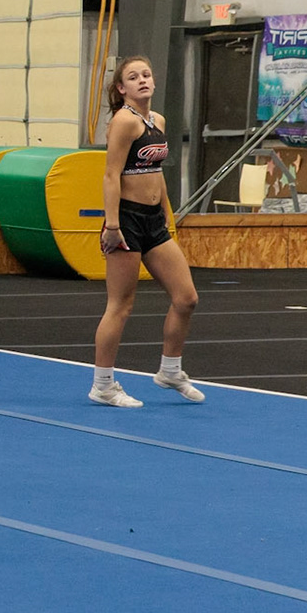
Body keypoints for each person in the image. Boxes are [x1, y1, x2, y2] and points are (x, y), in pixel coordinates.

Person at [91, 56, 204, 408]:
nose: (142, 80)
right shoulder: (124, 122)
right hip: (126, 221)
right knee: (120, 305)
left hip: (154, 220)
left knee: (186, 298)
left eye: (146, 74)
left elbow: (156, 171)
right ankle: (103, 384)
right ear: (121, 88)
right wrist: (112, 225)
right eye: (133, 77)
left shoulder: (158, 120)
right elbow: (111, 175)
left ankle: (170, 370)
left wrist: (167, 213)